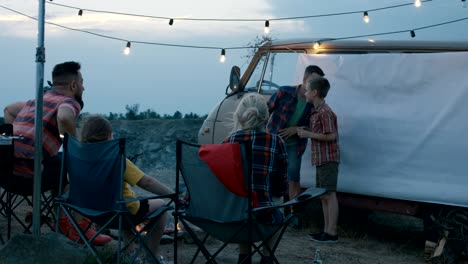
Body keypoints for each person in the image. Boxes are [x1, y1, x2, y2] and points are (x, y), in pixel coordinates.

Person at [3, 61, 112, 245]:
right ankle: (77, 226)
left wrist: (19, 136)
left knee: (61, 165)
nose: (84, 87)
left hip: (6, 174)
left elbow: (8, 109)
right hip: (31, 178)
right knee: (80, 167)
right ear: (73, 85)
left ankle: (63, 220)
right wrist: (72, 146)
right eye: (82, 82)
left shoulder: (36, 101)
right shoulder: (69, 101)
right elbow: (64, 116)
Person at [80, 114, 174, 264]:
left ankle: (130, 254)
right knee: (162, 207)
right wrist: (172, 193)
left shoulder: (79, 156)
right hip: (120, 211)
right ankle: (152, 257)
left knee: (122, 206)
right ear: (109, 135)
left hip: (91, 211)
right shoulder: (116, 158)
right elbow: (147, 182)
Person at [223, 93, 288, 264]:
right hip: (264, 218)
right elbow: (281, 188)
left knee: (243, 200)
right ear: (266, 118)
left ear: (239, 117)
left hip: (231, 220)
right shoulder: (276, 142)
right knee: (276, 202)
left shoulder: (228, 142)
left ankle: (244, 257)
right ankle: (266, 257)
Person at [266, 65, 326, 210]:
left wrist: (296, 129)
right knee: (269, 173)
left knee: (293, 176)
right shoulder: (284, 91)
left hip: (295, 145)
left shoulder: (314, 103)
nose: (315, 85)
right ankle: (267, 207)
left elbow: (316, 128)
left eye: (319, 81)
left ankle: (293, 213)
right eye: (313, 80)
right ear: (305, 79)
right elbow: (266, 111)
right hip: (274, 141)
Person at [297, 76, 340, 243]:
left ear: (314, 93)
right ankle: (326, 231)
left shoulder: (325, 112)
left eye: (308, 90)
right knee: (323, 195)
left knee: (329, 194)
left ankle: (332, 232)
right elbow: (321, 133)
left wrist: (308, 134)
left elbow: (331, 136)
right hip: (321, 159)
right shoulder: (316, 112)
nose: (305, 93)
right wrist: (306, 130)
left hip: (328, 159)